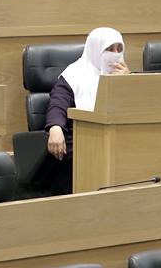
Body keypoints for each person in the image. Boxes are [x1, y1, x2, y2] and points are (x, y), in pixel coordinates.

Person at [45, 27, 128, 194]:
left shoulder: (123, 75)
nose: (115, 54)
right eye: (109, 49)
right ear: (95, 50)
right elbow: (57, 104)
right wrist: (55, 128)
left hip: (117, 136)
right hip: (80, 138)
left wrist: (126, 83)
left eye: (119, 49)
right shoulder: (74, 75)